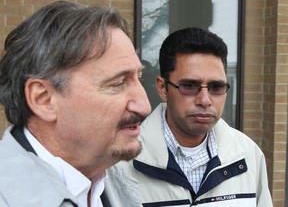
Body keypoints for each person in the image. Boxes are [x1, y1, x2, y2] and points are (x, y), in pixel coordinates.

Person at [0, 0, 151, 207]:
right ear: (43, 100)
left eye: (139, 78)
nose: (144, 106)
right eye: (117, 83)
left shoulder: (120, 186)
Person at [105, 27, 273, 206]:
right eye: (190, 86)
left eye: (216, 87)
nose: (205, 100)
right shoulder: (118, 165)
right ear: (163, 88)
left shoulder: (248, 154)